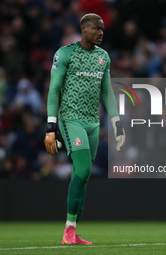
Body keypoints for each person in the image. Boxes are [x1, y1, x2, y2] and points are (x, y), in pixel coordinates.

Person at [44, 13, 126, 245]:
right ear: (84, 29)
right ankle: (69, 230)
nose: (101, 33)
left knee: (85, 174)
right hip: (71, 119)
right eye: (96, 29)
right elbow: (54, 90)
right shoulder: (65, 54)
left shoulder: (103, 57)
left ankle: (73, 229)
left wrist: (117, 123)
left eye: (102, 29)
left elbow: (107, 93)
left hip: (92, 123)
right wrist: (51, 125)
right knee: (81, 170)